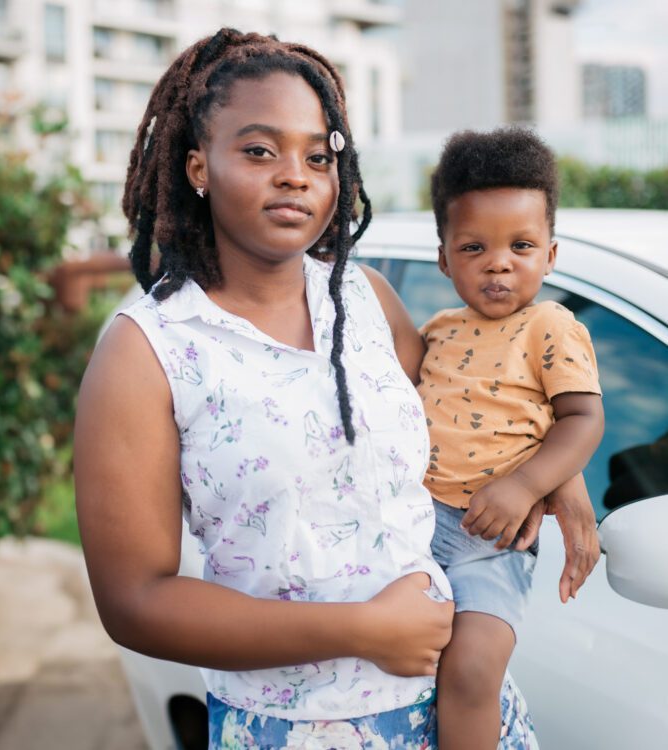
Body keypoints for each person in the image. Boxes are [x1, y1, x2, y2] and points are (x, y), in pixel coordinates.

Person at [74, 29, 598, 748]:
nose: (295, 174)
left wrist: (553, 481)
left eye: (318, 156)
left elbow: (467, 416)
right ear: (199, 166)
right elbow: (134, 603)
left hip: (463, 715)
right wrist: (363, 631)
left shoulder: (366, 297)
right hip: (296, 730)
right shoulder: (147, 349)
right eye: (260, 150)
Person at [417, 128, 605, 750]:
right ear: (444, 258)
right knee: (395, 665)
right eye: (474, 246)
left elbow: (582, 419)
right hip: (414, 523)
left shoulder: (550, 325)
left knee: (472, 672)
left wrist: (526, 485)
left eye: (521, 245)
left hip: (492, 541)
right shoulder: (438, 331)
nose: (499, 262)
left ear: (550, 255)